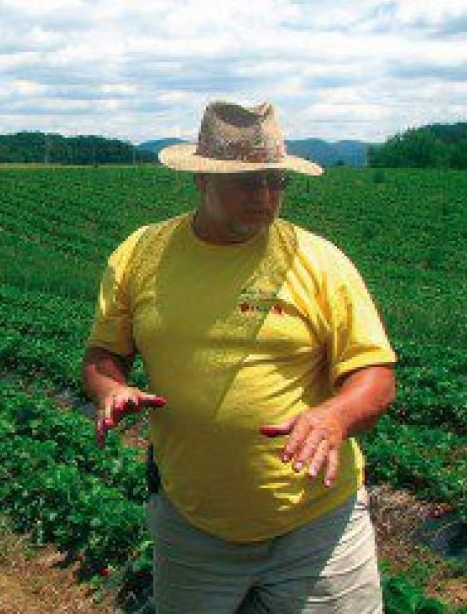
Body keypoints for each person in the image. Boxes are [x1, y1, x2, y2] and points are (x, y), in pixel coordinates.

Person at [82, 101, 396, 613]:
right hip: (191, 525)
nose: (266, 197)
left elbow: (375, 374)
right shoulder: (141, 255)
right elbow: (103, 354)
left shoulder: (319, 261)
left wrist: (335, 416)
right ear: (202, 178)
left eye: (276, 181)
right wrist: (110, 388)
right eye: (249, 182)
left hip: (317, 527)